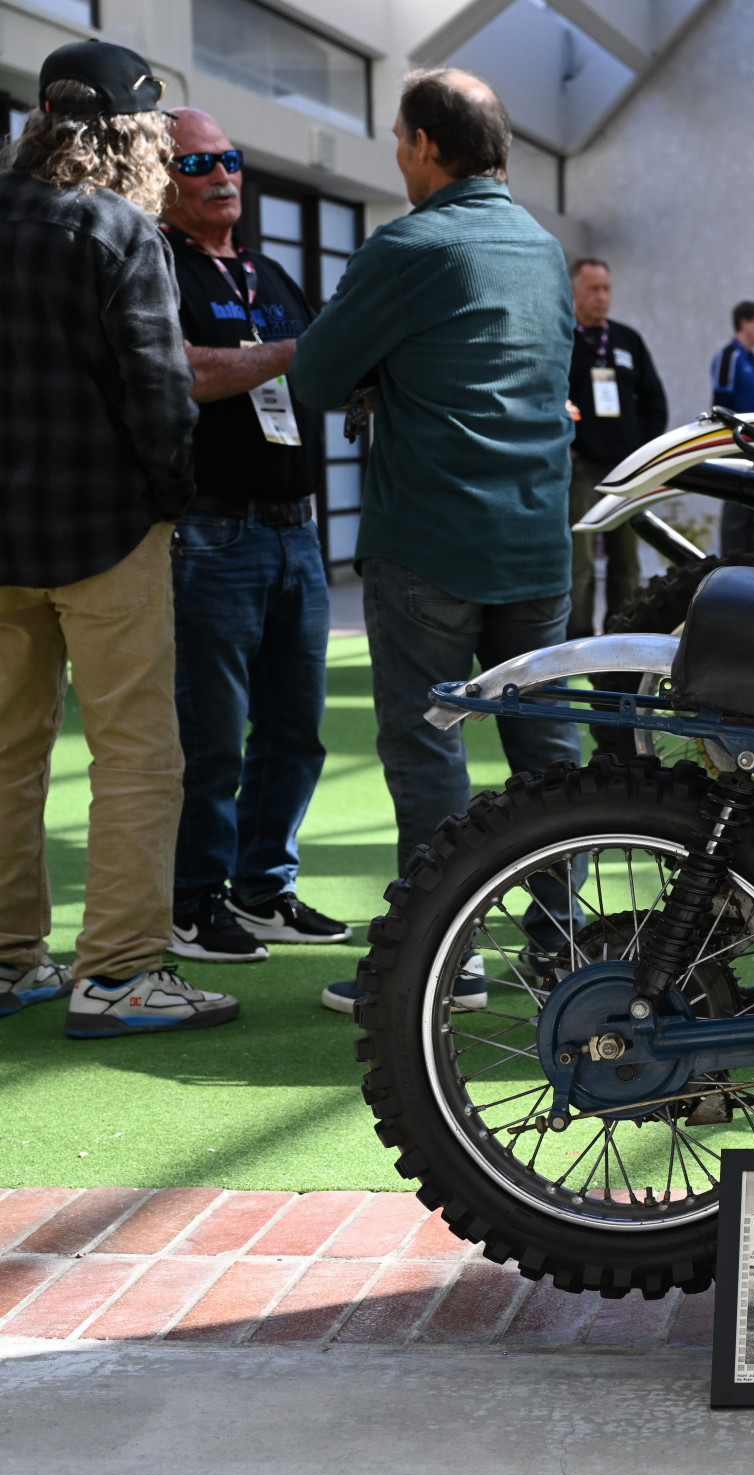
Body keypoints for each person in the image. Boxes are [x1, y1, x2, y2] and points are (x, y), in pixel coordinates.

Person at [289, 67, 581, 1014]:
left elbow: (316, 377)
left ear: (424, 144)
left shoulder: (407, 245)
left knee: (428, 752)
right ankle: (566, 949)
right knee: (550, 755)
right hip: (536, 536)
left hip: (429, 535)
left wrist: (383, 376)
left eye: (398, 141)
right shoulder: (544, 249)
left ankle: (446, 962)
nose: (397, 157)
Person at [0, 44, 241, 1037]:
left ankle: (10, 958)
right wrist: (168, 500)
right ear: (132, 137)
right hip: (106, 534)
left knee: (7, 754)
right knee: (138, 756)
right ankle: (118, 974)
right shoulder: (117, 229)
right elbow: (159, 391)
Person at [154, 106, 349, 966]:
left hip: (296, 531)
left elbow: (326, 366)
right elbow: (183, 371)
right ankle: (192, 901)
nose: (223, 176)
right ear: (162, 178)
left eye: (230, 159)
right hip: (211, 532)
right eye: (199, 164)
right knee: (211, 739)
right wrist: (289, 353)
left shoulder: (268, 272)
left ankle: (263, 889)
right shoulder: (158, 263)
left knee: (296, 731)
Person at [565, 257, 668, 637]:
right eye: (593, 289)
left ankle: (620, 641)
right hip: (581, 470)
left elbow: (655, 402)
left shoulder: (627, 340)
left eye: (606, 289)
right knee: (580, 564)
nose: (602, 297)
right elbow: (548, 397)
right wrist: (565, 445)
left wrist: (643, 453)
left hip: (626, 471)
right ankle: (575, 645)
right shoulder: (563, 340)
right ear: (574, 292)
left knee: (627, 563)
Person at [708, 300, 754, 554]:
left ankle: (748, 562)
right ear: (744, 323)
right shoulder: (729, 356)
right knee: (735, 507)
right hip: (735, 443)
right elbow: (720, 401)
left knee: (750, 509)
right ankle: (730, 564)